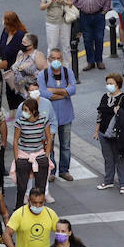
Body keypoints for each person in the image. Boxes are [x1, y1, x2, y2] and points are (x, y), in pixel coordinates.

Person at [36, 49, 77, 181]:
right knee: (49, 145)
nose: (56, 61)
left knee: (66, 145)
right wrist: (64, 93)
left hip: (66, 115)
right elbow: (43, 93)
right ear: (49, 59)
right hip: (49, 117)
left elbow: (73, 90)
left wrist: (53, 91)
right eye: (53, 58)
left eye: (58, 58)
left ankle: (64, 170)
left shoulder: (67, 72)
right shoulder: (43, 75)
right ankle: (51, 171)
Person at [94, 72, 124, 193]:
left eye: (111, 83)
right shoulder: (104, 97)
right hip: (103, 133)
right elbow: (99, 114)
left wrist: (120, 112)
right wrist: (96, 131)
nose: (109, 85)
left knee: (120, 158)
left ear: (118, 84)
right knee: (108, 158)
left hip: (118, 135)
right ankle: (108, 181)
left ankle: (123, 184)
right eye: (107, 83)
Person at [71, 0, 112, 71]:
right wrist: (81, 8)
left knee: (99, 38)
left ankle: (99, 60)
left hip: (99, 14)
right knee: (87, 39)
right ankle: (90, 61)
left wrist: (104, 11)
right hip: (85, 15)